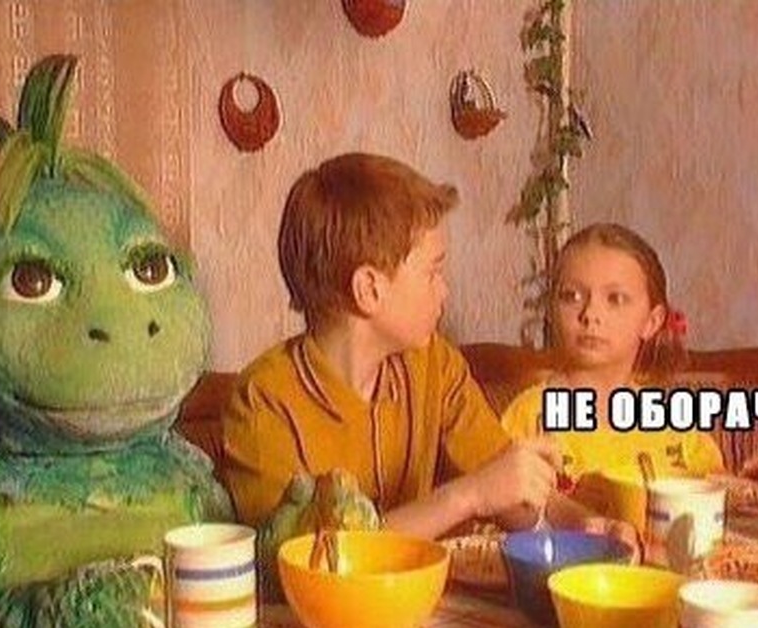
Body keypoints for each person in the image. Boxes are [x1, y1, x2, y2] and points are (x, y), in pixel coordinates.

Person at [222, 153, 611, 540]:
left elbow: (508, 483)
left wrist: (587, 524)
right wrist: (468, 496)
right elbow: (306, 560)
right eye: (433, 271)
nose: (444, 291)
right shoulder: (262, 402)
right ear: (369, 290)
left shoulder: (434, 363)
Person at [500, 223, 727, 513]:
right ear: (551, 309)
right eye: (571, 296)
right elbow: (498, 511)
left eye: (615, 299)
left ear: (652, 322)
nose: (590, 314)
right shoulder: (527, 419)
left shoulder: (674, 425)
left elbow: (720, 495)